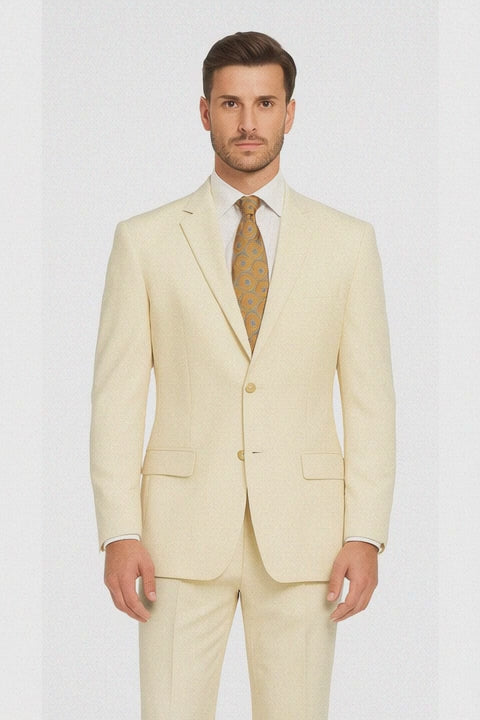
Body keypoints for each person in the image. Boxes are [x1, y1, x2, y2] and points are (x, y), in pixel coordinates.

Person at [90, 30, 395, 720]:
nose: (248, 122)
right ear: (205, 111)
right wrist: (117, 529)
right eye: (231, 103)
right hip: (174, 536)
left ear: (291, 112)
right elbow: (116, 398)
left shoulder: (348, 243)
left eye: (265, 103)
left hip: (306, 537)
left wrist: (365, 532)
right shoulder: (144, 240)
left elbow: (371, 401)